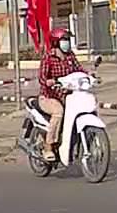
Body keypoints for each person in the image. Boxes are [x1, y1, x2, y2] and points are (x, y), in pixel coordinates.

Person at [38, 28, 83, 161]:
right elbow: (42, 77)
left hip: (68, 95)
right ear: (56, 42)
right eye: (64, 40)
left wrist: (89, 75)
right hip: (50, 97)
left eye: (68, 39)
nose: (67, 42)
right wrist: (48, 81)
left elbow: (79, 69)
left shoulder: (70, 56)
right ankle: (48, 147)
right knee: (59, 111)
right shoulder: (49, 57)